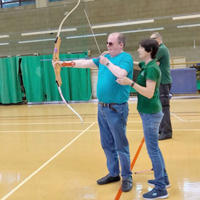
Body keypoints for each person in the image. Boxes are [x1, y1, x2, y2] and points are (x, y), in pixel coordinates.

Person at [52, 32, 133, 192]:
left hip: (117, 109)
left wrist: (107, 63)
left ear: (120, 45)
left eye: (111, 43)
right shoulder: (103, 60)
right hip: (102, 108)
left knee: (120, 144)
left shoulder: (125, 58)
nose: (108, 46)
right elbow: (84, 63)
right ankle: (114, 173)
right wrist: (62, 63)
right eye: (107, 43)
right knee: (106, 143)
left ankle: (127, 176)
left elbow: (121, 74)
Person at [116, 38, 170, 199]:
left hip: (151, 114)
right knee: (155, 150)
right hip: (148, 112)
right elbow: (134, 63)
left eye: (140, 48)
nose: (138, 50)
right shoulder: (146, 65)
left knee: (152, 150)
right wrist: (118, 55)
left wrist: (130, 82)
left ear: (148, 51)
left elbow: (148, 92)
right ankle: (164, 179)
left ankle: (161, 188)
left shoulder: (152, 68)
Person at [150, 32, 173, 140]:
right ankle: (161, 129)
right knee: (159, 107)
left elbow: (149, 60)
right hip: (161, 82)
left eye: (152, 39)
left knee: (164, 108)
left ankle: (167, 132)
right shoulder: (159, 49)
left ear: (158, 39)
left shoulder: (161, 49)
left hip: (164, 82)